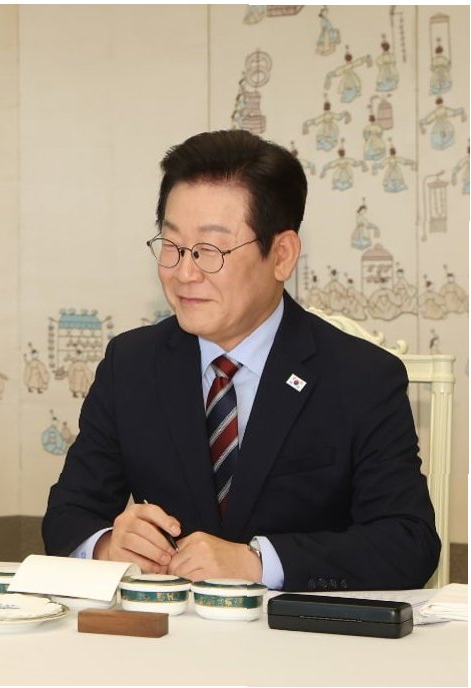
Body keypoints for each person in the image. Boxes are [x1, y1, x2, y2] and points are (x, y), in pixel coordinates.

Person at [42, 130, 439, 591]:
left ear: (282, 255)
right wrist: (109, 546)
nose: (184, 272)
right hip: (168, 628)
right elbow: (68, 515)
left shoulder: (362, 378)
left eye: (210, 251)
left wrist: (258, 563)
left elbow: (407, 543)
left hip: (297, 632)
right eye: (172, 245)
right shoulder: (131, 364)